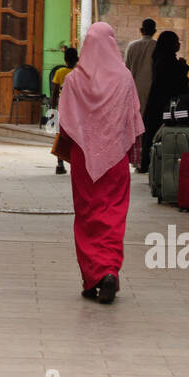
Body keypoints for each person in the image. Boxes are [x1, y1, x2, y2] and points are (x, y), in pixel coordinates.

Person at [56, 22, 143, 304]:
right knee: (113, 214)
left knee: (87, 214)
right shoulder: (124, 78)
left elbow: (66, 124)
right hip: (115, 157)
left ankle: (92, 276)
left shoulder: (73, 80)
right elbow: (132, 119)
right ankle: (109, 271)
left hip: (84, 157)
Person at [139, 30, 189, 175]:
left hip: (156, 102)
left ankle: (149, 163)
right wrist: (183, 68)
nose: (179, 44)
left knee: (152, 133)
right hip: (165, 104)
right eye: (176, 42)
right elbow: (174, 81)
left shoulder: (159, 58)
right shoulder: (166, 61)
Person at [49, 46, 79, 174]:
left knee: (60, 135)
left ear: (65, 59)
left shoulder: (60, 72)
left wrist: (52, 108)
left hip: (63, 108)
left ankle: (60, 164)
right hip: (77, 109)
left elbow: (55, 92)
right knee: (76, 137)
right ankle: (76, 164)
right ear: (77, 58)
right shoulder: (80, 72)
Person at [125, 18, 157, 116]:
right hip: (151, 88)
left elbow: (126, 68)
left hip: (134, 87)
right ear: (154, 31)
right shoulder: (156, 45)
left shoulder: (132, 46)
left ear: (141, 30)